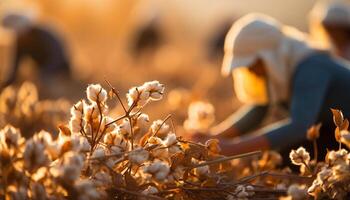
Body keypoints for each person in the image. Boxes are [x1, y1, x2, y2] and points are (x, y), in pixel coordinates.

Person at [192, 14, 350, 161]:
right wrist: (214, 137)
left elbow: (300, 126)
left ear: (269, 57)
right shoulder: (288, 64)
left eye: (252, 64)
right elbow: (261, 108)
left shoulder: (311, 67)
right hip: (336, 131)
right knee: (285, 154)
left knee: (287, 155)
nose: (251, 71)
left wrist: (232, 148)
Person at [1, 13, 71, 89]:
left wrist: (42, 74)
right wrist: (4, 85)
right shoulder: (20, 41)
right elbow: (14, 69)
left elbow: (57, 58)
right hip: (43, 72)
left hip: (59, 69)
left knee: (49, 86)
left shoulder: (44, 35)